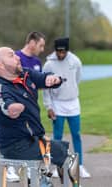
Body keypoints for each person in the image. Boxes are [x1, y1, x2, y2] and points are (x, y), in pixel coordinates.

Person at [0, 47, 79, 184]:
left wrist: (54, 79)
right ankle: (59, 181)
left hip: (32, 139)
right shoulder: (0, 87)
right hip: (15, 146)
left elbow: (43, 77)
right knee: (67, 157)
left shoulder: (25, 74)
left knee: (64, 151)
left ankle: (46, 179)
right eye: (11, 56)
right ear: (0, 64)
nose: (18, 57)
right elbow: (3, 103)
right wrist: (10, 109)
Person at [42, 37, 91, 178]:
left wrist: (70, 90)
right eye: (58, 51)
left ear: (67, 50)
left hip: (73, 103)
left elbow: (77, 79)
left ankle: (80, 166)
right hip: (57, 104)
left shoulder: (75, 61)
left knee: (76, 135)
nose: (61, 54)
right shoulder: (49, 65)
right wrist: (48, 106)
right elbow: (46, 88)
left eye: (63, 51)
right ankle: (57, 167)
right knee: (57, 137)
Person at [6, 31, 45, 182]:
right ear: (32, 42)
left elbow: (38, 83)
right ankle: (10, 168)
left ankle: (29, 168)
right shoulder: (15, 58)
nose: (42, 49)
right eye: (40, 45)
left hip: (32, 106)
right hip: (17, 104)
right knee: (14, 134)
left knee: (32, 135)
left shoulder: (37, 62)